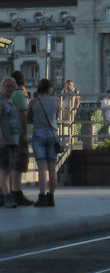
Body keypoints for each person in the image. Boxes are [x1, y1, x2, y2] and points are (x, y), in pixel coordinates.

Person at [27, 79, 60, 207]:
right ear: (50, 89)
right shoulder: (56, 101)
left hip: (38, 135)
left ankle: (42, 198)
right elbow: (55, 117)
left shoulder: (34, 102)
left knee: (42, 168)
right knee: (52, 168)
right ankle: (51, 196)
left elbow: (29, 119)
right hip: (53, 136)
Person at [10, 71, 34, 206]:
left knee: (10, 164)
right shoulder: (19, 94)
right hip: (19, 134)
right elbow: (23, 115)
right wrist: (25, 134)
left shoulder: (8, 95)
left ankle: (9, 192)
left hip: (10, 133)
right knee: (19, 163)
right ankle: (17, 192)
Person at [0, 78, 22, 208]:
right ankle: (8, 197)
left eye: (12, 87)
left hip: (13, 139)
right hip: (5, 140)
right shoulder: (1, 101)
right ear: (3, 86)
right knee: (5, 170)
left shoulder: (10, 102)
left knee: (7, 168)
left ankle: (2, 196)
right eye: (7, 86)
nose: (9, 89)